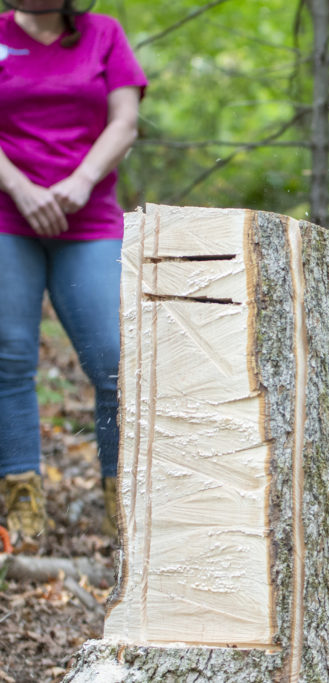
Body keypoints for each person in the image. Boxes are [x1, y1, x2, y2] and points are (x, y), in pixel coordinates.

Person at [0, 0, 146, 548]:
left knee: (115, 359)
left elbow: (125, 121)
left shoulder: (103, 34)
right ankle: (23, 515)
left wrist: (82, 180)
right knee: (9, 357)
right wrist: (21, 188)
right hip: (7, 214)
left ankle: (125, 515)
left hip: (87, 219)